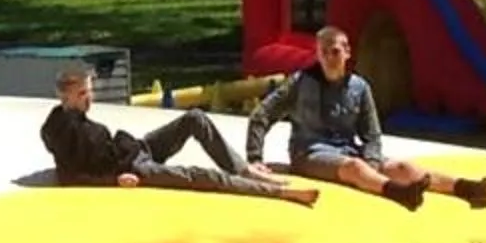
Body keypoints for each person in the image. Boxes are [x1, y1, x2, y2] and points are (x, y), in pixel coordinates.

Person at [244, 26, 486, 210]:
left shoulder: (359, 87)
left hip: (348, 150)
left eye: (335, 51)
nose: (330, 58)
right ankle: (400, 194)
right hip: (309, 153)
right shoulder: (300, 83)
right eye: (324, 53)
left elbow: (372, 133)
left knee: (404, 167)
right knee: (355, 168)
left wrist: (373, 160)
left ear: (347, 52)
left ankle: (467, 189)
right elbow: (262, 114)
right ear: (318, 55)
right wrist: (255, 157)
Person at [40, 63, 316, 201]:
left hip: (138, 148)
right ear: (64, 96)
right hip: (136, 167)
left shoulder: (74, 118)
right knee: (200, 176)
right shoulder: (61, 131)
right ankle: (276, 192)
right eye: (82, 94)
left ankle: (243, 170)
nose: (90, 98)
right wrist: (115, 180)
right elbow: (70, 174)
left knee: (195, 118)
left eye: (90, 91)